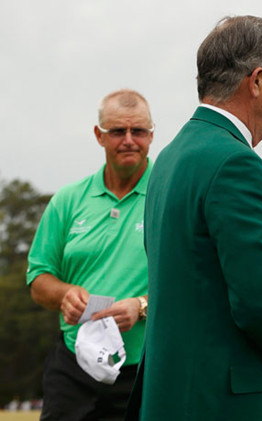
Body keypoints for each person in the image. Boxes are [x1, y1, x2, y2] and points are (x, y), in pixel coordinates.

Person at [125, 15, 262, 421]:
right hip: (221, 402)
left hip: (171, 397)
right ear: (257, 80)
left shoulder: (168, 158)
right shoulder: (236, 163)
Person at [27, 89, 154, 420]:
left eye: (138, 131)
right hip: (74, 365)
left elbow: (193, 281)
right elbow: (38, 278)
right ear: (99, 135)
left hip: (146, 368)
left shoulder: (169, 196)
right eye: (117, 131)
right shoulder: (67, 200)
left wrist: (141, 306)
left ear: (151, 135)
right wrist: (65, 293)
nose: (129, 140)